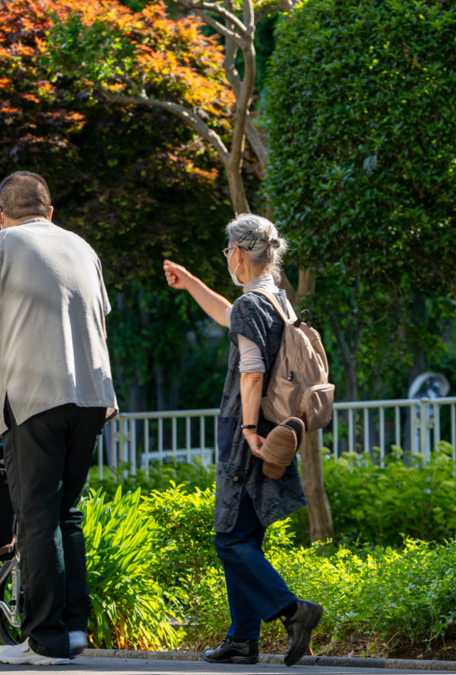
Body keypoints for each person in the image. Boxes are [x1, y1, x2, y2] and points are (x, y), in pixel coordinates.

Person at [0, 170, 118, 667]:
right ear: (51, 211)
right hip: (90, 396)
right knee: (67, 511)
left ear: (0, 213)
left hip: (33, 397)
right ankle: (73, 628)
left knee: (37, 516)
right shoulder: (83, 249)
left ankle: (45, 641)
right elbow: (100, 328)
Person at [163, 213, 323, 667]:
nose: (226, 258)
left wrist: (249, 432)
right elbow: (228, 316)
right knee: (247, 534)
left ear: (238, 252)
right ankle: (241, 638)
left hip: (248, 429)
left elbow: (251, 371)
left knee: (230, 538)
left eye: (227, 250)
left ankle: (294, 611)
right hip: (278, 426)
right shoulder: (275, 300)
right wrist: (192, 282)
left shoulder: (254, 306)